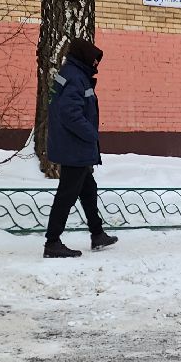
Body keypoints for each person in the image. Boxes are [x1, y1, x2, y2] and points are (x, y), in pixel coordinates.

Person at [43, 38, 118, 259]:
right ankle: (52, 242)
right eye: (94, 60)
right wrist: (91, 134)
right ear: (84, 57)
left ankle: (97, 234)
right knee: (66, 195)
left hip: (73, 145)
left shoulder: (70, 74)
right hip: (74, 147)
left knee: (88, 190)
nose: (96, 64)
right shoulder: (75, 77)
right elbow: (69, 112)